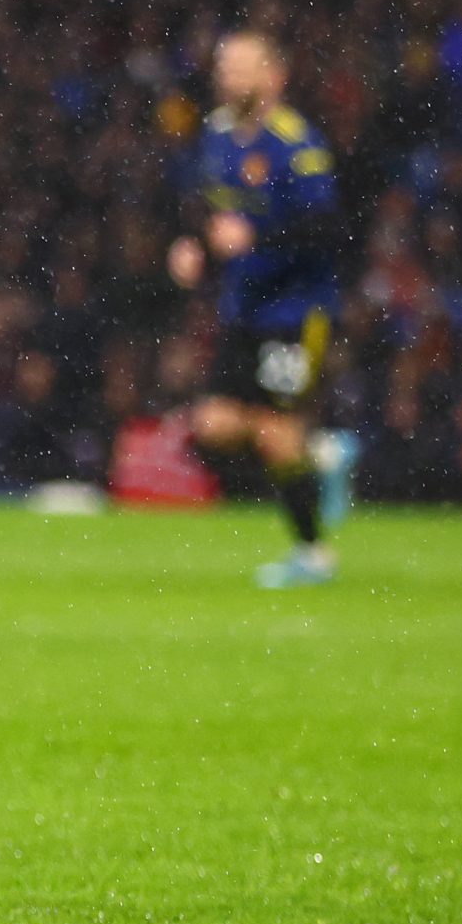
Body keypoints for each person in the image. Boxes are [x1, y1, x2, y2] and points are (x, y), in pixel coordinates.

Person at [168, 31, 356, 588]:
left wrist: (255, 236)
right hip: (243, 308)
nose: (229, 77)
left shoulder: (297, 146)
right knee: (214, 425)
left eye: (243, 68)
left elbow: (326, 229)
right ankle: (322, 453)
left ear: (274, 77)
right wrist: (194, 246)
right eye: (225, 66)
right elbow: (213, 212)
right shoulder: (217, 136)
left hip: (296, 310)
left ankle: (314, 554)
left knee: (274, 431)